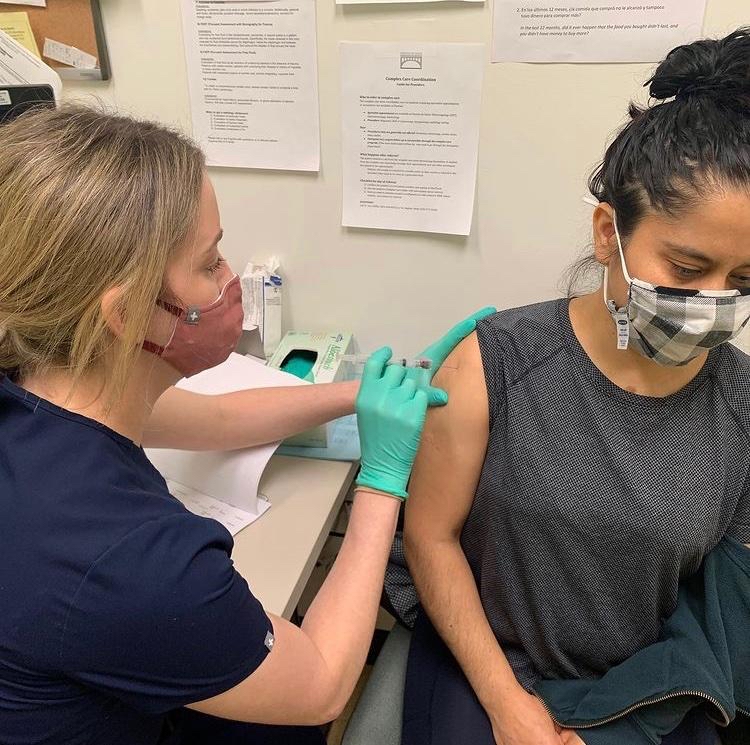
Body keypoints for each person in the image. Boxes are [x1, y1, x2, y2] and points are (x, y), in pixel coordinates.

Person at [0, 104, 493, 744]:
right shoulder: (136, 562)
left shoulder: (40, 382)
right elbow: (322, 684)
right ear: (126, 315)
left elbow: (218, 419)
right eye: (210, 265)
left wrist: (357, 394)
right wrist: (381, 479)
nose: (232, 281)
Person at [401, 28, 750, 745]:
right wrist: (507, 702)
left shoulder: (739, 408)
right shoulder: (491, 364)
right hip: (488, 664)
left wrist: (613, 729)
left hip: (650, 684)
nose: (714, 301)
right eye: (686, 268)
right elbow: (430, 537)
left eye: (742, 282)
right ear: (606, 234)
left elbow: (721, 609)